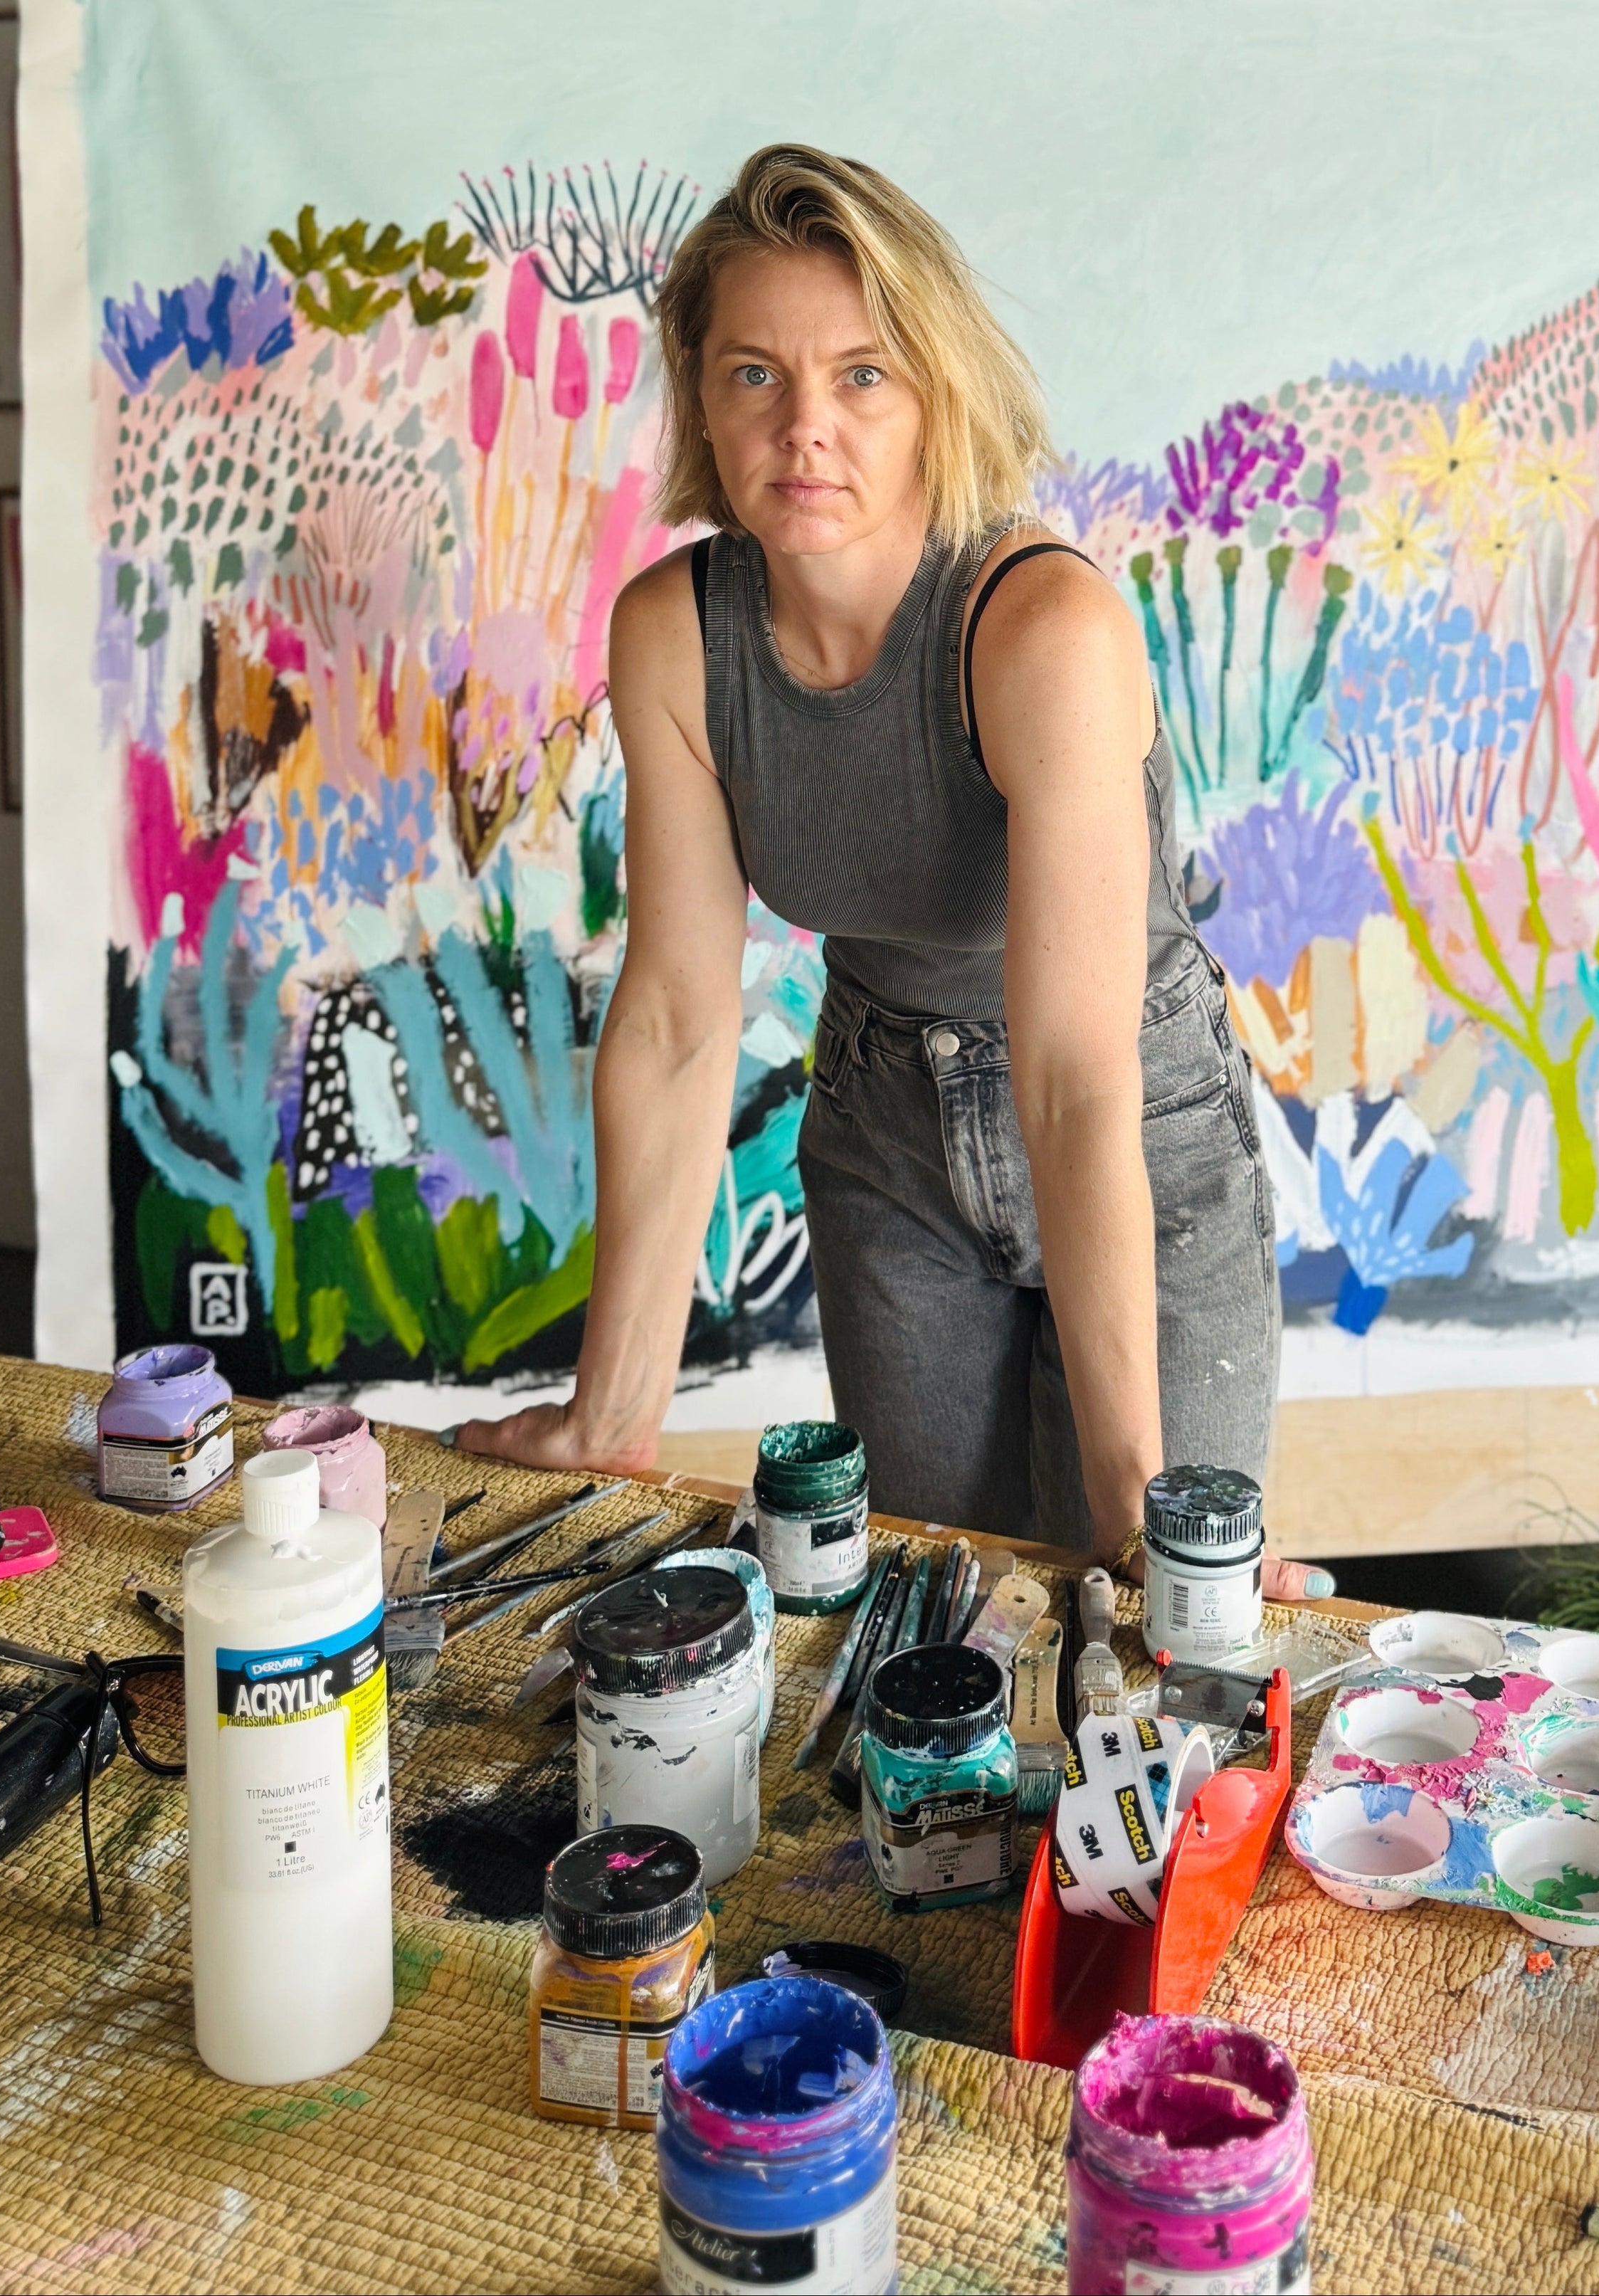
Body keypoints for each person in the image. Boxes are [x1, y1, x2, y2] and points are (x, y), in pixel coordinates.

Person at [458, 143, 1321, 1599]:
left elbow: (1075, 1076)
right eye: (754, 374)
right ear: (700, 394)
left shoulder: (1040, 631)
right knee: (931, 1622)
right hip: (885, 1135)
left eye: (862, 375)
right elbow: (675, 1020)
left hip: (1136, 1129)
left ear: (936, 391)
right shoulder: (676, 635)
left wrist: (1136, 1513)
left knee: (1139, 1617)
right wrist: (611, 1414)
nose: (805, 427)